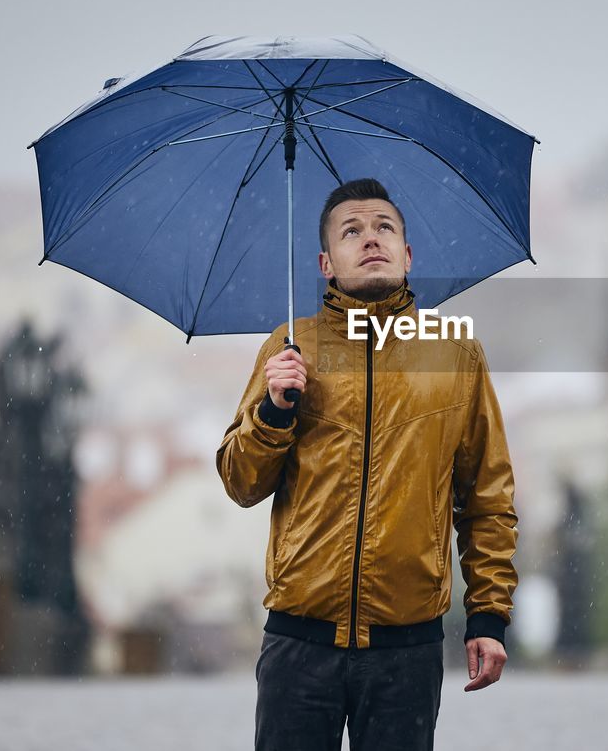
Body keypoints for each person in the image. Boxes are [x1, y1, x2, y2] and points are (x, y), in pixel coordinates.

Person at [216, 178, 518, 751]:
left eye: (384, 227)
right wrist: (274, 412)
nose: (370, 238)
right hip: (299, 640)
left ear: (408, 255)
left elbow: (487, 498)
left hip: (407, 646)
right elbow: (240, 481)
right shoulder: (290, 347)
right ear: (327, 263)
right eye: (351, 231)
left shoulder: (455, 355)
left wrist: (488, 616)